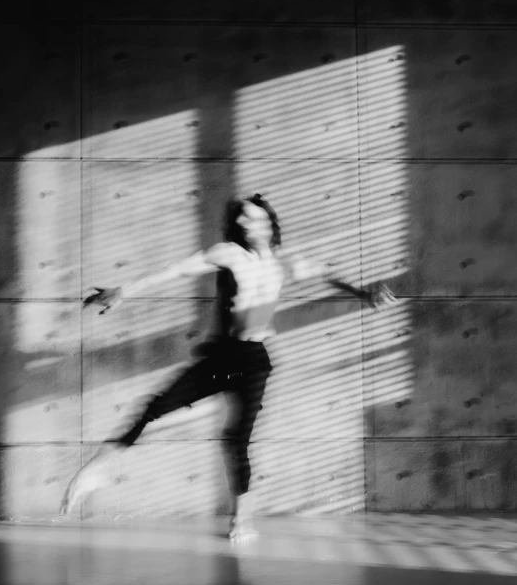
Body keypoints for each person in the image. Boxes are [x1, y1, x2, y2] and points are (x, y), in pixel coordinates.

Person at [59, 194, 396, 541]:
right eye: (243, 219)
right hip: (221, 355)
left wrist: (363, 294)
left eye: (255, 218)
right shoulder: (229, 254)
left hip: (254, 360)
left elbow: (327, 274)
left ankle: (241, 521)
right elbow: (175, 269)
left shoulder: (285, 262)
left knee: (237, 440)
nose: (248, 224)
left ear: (269, 222)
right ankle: (95, 470)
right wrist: (124, 290)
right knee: (156, 406)